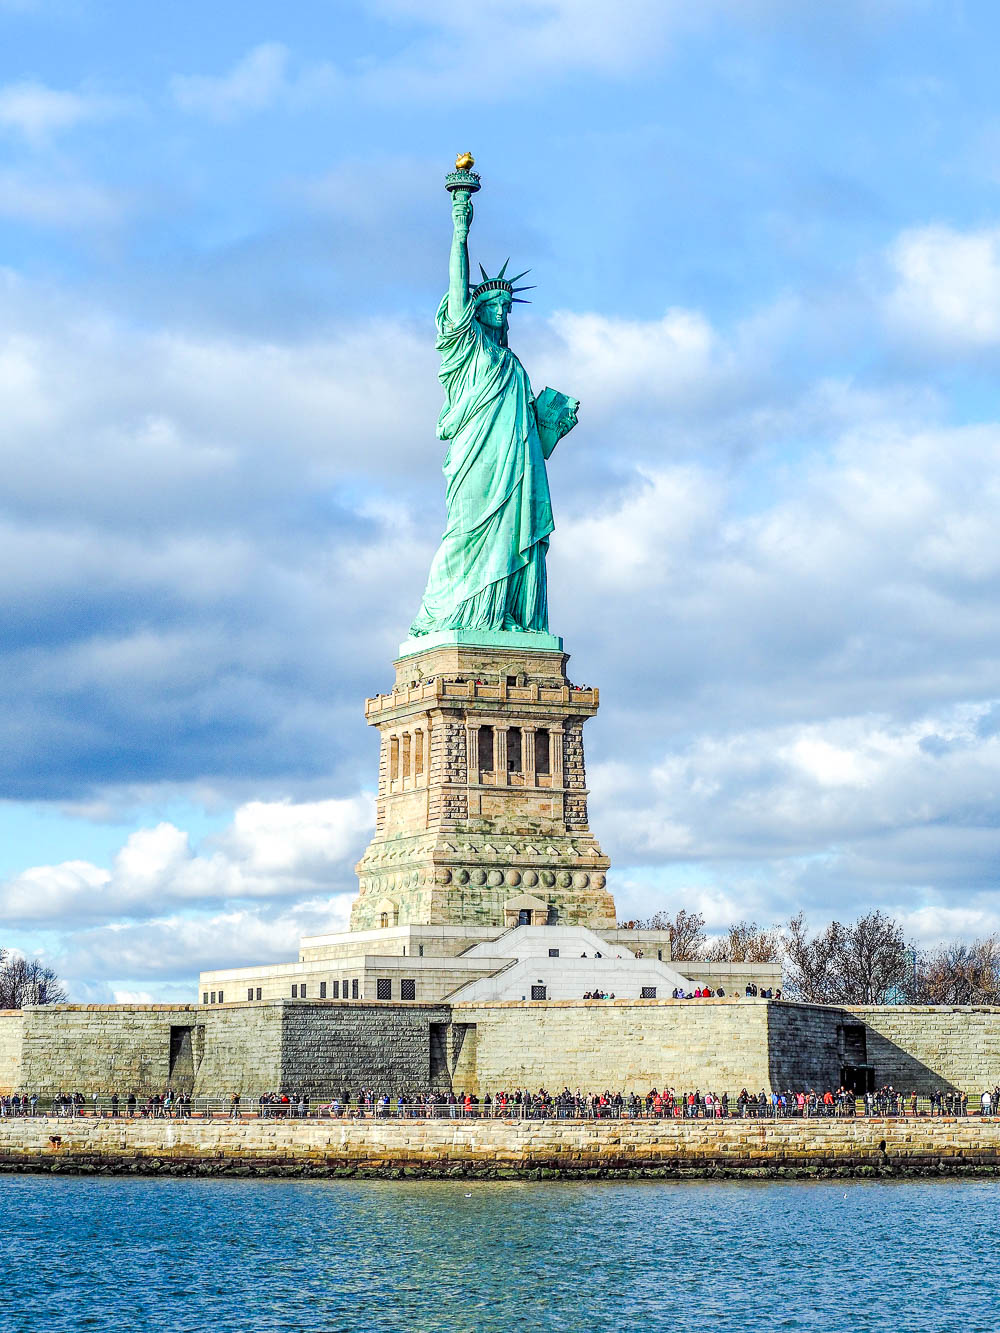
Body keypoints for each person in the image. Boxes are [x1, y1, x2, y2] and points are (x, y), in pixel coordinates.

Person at [408, 161, 578, 637]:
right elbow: (457, 291)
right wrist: (460, 227)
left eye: (507, 307)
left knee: (514, 540)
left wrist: (552, 425)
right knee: (464, 534)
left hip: (517, 469)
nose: (503, 313)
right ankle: (453, 615)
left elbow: (531, 443)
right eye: (493, 306)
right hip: (476, 464)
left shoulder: (514, 367)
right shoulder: (466, 351)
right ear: (476, 312)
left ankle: (503, 617)